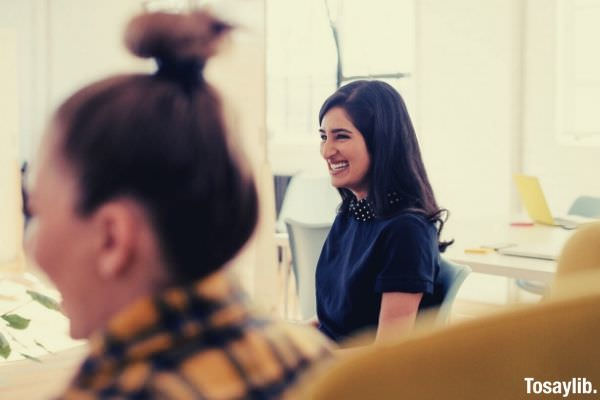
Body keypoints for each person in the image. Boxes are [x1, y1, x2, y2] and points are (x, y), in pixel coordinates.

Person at [26, 10, 332, 399]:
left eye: (36, 211)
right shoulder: (308, 356)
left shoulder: (115, 391)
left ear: (112, 236)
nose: (31, 244)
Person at [315, 80, 452, 344]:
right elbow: (330, 324)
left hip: (353, 377)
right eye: (323, 136)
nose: (326, 151)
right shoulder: (350, 213)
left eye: (341, 136)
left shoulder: (406, 231)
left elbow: (386, 352)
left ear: (381, 142)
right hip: (328, 363)